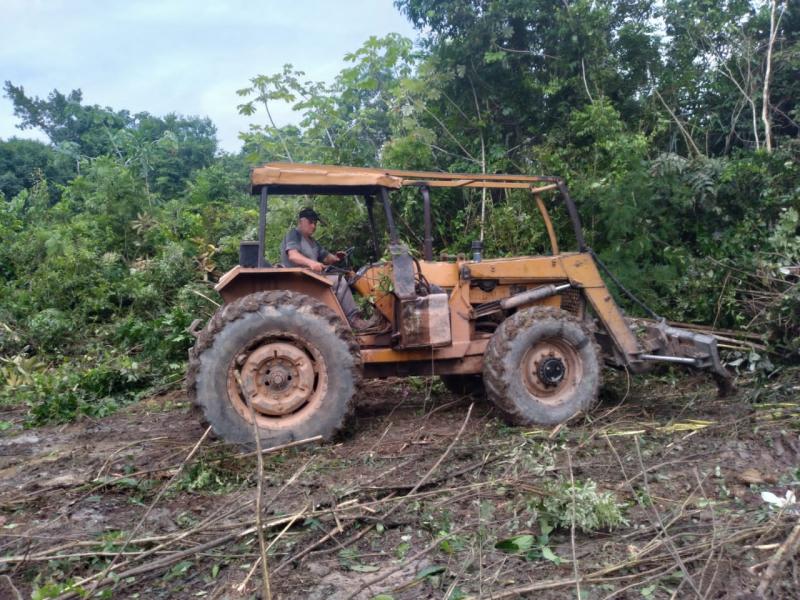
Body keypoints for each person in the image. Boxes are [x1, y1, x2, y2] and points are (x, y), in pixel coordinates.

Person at [280, 207, 377, 330]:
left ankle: (347, 317)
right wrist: (311, 263)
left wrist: (337, 257)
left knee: (345, 276)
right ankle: (354, 320)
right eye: (310, 222)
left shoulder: (312, 241)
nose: (313, 226)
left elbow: (326, 257)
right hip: (298, 280)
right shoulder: (293, 235)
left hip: (312, 278)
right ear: (300, 221)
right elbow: (293, 255)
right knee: (339, 282)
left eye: (315, 223)